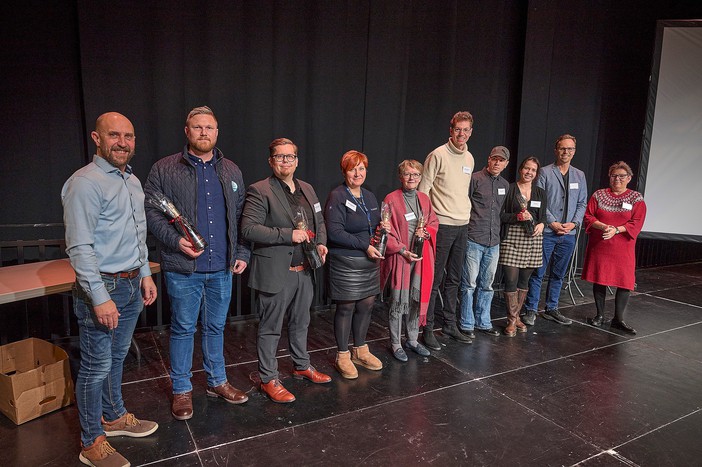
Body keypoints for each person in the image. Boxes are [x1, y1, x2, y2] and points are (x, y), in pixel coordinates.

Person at [62, 112, 158, 467]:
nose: (122, 142)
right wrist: (100, 298)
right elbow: (79, 248)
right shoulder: (85, 183)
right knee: (95, 366)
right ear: (97, 138)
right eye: (114, 135)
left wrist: (145, 274)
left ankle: (114, 416)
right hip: (103, 286)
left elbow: (137, 235)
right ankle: (91, 442)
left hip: (131, 283)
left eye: (128, 136)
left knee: (116, 358)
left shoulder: (131, 180)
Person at [144, 106, 250, 421]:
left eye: (209, 127)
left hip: (222, 268)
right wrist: (175, 241)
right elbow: (151, 212)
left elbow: (242, 216)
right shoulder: (164, 168)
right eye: (198, 127)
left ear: (217, 132)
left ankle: (217, 382)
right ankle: (181, 389)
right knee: (183, 328)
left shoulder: (231, 170)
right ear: (187, 131)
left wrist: (242, 252)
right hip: (182, 268)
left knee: (216, 327)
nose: (204, 132)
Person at [240, 138, 332, 403]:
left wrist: (322, 243)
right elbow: (249, 229)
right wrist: (287, 234)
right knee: (270, 328)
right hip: (276, 271)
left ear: (296, 161)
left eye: (290, 156)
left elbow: (319, 220)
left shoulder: (307, 189)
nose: (285, 161)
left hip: (306, 269)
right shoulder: (260, 190)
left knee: (301, 323)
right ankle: (268, 378)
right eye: (279, 157)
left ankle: (301, 365)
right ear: (271, 161)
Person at [325, 150, 387, 379]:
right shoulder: (337, 196)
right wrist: (364, 245)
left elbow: (374, 225)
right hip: (346, 260)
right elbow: (334, 232)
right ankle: (342, 355)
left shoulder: (369, 196)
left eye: (361, 168)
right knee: (346, 307)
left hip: (368, 260)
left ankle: (360, 350)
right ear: (344, 171)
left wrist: (382, 230)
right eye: (353, 169)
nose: (358, 173)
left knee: (367, 305)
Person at [417, 111, 475, 349]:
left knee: (454, 278)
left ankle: (450, 325)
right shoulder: (437, 155)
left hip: (463, 225)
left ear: (471, 132)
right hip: (442, 225)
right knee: (434, 279)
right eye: (458, 129)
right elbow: (423, 191)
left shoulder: (469, 158)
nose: (462, 134)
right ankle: (427, 328)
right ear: (451, 130)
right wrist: (425, 224)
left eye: (466, 130)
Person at [524, 134, 588, 326]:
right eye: (562, 148)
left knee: (559, 274)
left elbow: (582, 203)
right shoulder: (544, 172)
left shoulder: (580, 175)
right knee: (538, 272)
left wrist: (574, 223)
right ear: (556, 150)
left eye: (570, 149)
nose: (566, 152)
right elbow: (538, 201)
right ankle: (531, 309)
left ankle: (551, 308)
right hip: (547, 232)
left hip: (569, 233)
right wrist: (552, 223)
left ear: (574, 151)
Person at [380, 160, 439, 361]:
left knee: (415, 298)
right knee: (398, 302)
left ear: (421, 177)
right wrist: (402, 250)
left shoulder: (424, 198)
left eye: (416, 174)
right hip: (401, 258)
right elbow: (386, 231)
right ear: (400, 176)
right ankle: (396, 343)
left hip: (421, 258)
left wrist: (427, 232)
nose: (412, 178)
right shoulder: (391, 199)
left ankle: (412, 339)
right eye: (407, 174)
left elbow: (433, 222)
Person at [581, 162, 646, 335]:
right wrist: (604, 227)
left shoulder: (636, 198)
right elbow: (588, 216)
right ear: (609, 177)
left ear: (629, 178)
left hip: (623, 247)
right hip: (601, 244)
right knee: (600, 278)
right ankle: (600, 315)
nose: (617, 179)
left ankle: (619, 319)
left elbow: (637, 222)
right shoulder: (599, 195)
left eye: (621, 176)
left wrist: (616, 230)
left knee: (624, 281)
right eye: (614, 176)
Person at [458, 146, 510, 338]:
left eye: (501, 160)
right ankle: (466, 323)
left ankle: (483, 322)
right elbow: (464, 205)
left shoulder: (505, 184)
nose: (497, 163)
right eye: (494, 159)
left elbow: (501, 212)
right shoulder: (475, 179)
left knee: (487, 285)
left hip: (493, 241)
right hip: (474, 238)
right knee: (469, 284)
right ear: (489, 159)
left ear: (506, 164)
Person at [498, 157, 547, 336]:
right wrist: (516, 217)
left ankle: (517, 316)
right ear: (520, 169)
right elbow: (501, 215)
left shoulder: (540, 192)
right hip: (512, 237)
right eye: (526, 168)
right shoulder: (510, 189)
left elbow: (543, 216)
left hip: (533, 239)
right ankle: (511, 320)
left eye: (533, 170)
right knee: (511, 280)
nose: (529, 172)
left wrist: (542, 225)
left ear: (536, 173)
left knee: (524, 282)